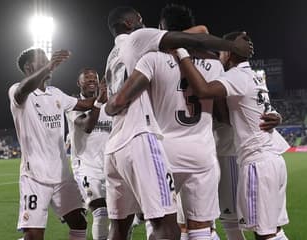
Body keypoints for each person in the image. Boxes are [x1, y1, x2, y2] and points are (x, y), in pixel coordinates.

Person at [103, 6, 252, 240]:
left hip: (162, 151)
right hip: (201, 151)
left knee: (161, 224)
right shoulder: (213, 63)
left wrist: (109, 105)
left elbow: (123, 98)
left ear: (162, 29)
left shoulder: (148, 58)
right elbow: (222, 113)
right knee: (202, 228)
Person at [175, 32, 289, 240]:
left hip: (257, 161)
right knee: (273, 231)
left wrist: (181, 53)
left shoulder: (235, 76)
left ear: (228, 52)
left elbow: (203, 90)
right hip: (274, 157)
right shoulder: (255, 75)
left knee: (264, 234)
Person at [9, 48, 106, 240]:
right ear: (29, 67)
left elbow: (84, 104)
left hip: (62, 176)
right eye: (42, 61)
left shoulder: (56, 94)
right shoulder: (18, 91)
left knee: (79, 223)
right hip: (35, 177)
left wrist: (104, 97)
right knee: (35, 235)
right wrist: (50, 65)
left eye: (48, 60)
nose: (48, 63)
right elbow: (23, 90)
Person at [66, 68, 112, 240]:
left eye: (95, 78)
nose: (92, 80)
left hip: (110, 165)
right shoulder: (73, 105)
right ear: (79, 83)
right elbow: (87, 126)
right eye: (87, 78)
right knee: (100, 212)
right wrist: (99, 103)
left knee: (118, 215)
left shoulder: (110, 104)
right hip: (85, 166)